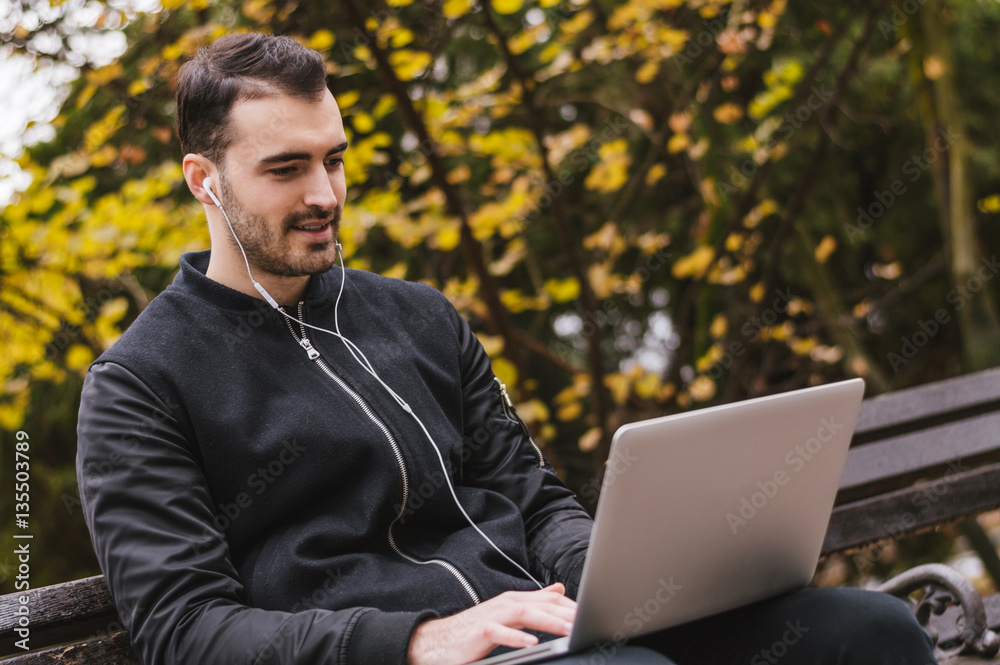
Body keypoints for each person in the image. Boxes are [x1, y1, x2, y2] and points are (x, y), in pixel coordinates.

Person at [76, 32, 937, 665]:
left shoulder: (417, 316)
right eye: (285, 169)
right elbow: (185, 628)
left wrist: (610, 576)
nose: (325, 194)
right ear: (204, 180)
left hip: (542, 625)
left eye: (334, 160)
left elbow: (533, 497)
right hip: (408, 659)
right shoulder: (140, 384)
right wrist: (416, 638)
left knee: (871, 634)